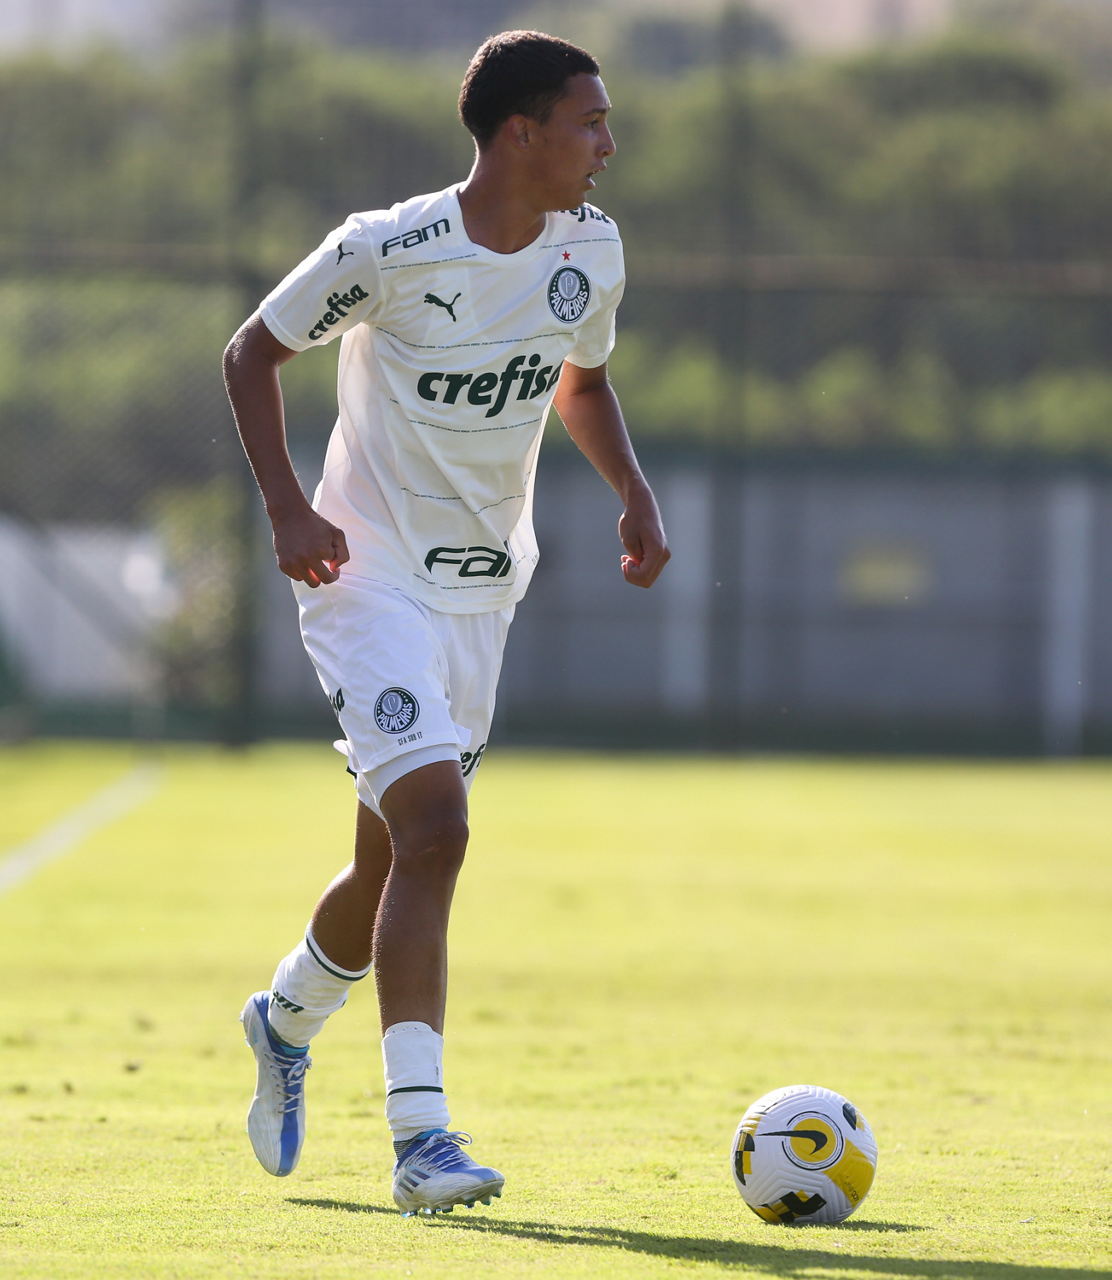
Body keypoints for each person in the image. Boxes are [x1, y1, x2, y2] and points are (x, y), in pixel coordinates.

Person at [222, 29, 669, 1217]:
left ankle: (284, 1016)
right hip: (362, 573)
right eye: (589, 122)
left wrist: (631, 489)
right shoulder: (387, 249)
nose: (606, 145)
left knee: (390, 860)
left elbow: (580, 380)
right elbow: (251, 351)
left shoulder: (589, 247)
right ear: (520, 133)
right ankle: (420, 1136)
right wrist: (288, 509)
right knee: (438, 828)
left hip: (482, 588)